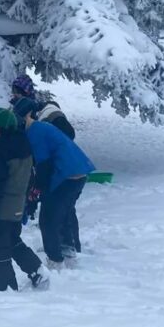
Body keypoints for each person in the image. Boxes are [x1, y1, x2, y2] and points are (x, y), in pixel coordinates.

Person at [14, 99, 95, 267]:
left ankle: (55, 260)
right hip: (79, 173)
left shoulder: (35, 131)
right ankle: (68, 252)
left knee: (48, 219)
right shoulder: (42, 128)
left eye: (20, 117)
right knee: (63, 213)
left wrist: (37, 191)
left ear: (29, 115)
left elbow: (44, 166)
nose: (18, 121)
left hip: (67, 176)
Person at [0, 109, 48, 292]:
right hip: (18, 205)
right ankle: (36, 270)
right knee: (12, 240)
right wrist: (26, 206)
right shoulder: (25, 147)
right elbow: (30, 179)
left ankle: (5, 286)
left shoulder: (0, 152)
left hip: (2, 207)